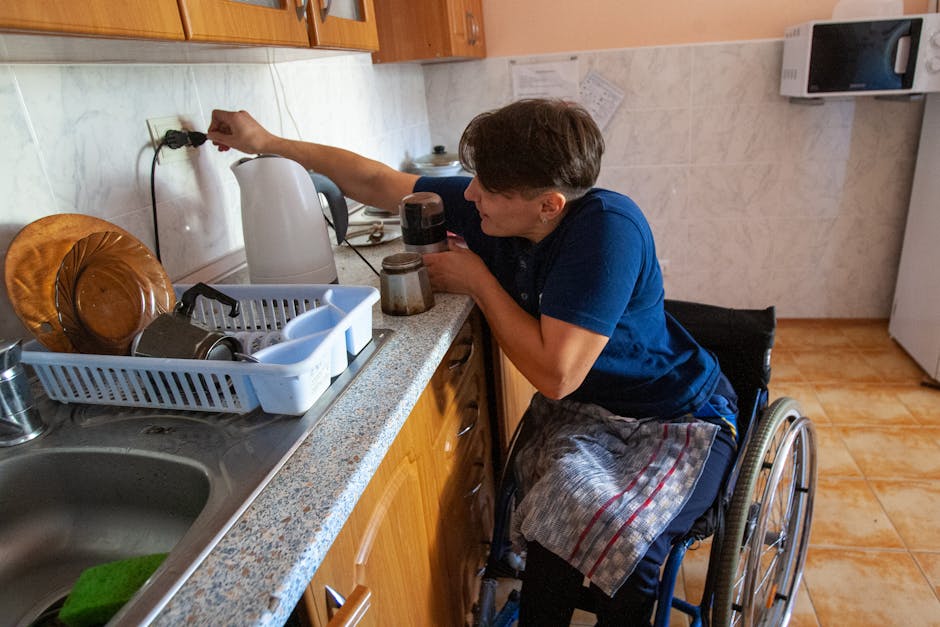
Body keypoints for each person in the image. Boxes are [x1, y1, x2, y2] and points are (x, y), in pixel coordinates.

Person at [207, 99, 738, 627]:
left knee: (629, 545)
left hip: (675, 414)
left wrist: (479, 281)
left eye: (488, 187)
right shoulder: (500, 211)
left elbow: (557, 376)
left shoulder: (608, 232)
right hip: (591, 412)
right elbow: (376, 181)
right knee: (556, 514)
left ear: (549, 205)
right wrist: (267, 144)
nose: (471, 192)